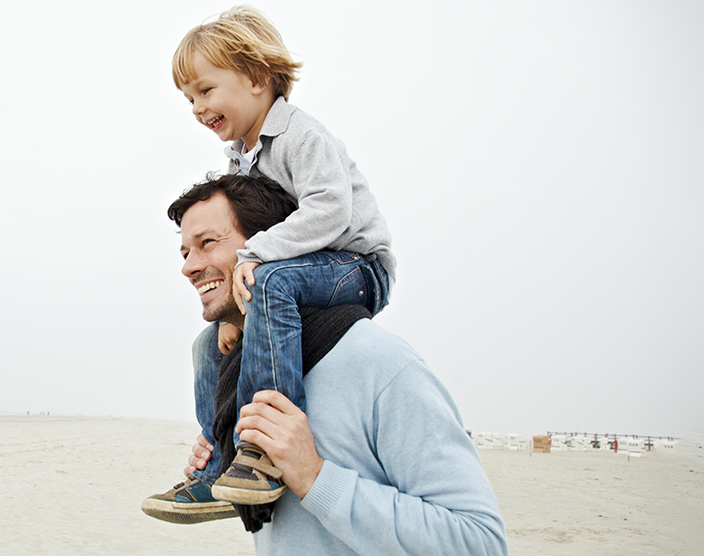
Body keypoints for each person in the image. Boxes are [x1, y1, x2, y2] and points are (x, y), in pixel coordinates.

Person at [144, 175, 507, 555]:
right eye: (185, 253)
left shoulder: (378, 363)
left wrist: (314, 476)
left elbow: (479, 542)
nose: (189, 267)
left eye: (207, 244)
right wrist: (221, 451)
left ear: (274, 246)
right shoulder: (238, 374)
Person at [170, 5, 396, 504]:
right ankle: (217, 463)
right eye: (188, 99)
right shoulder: (240, 159)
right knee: (209, 344)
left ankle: (266, 450)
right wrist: (232, 311)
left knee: (269, 281)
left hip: (355, 265)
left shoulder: (301, 135)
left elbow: (331, 210)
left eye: (205, 90)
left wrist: (251, 257)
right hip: (300, 270)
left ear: (256, 77)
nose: (196, 108)